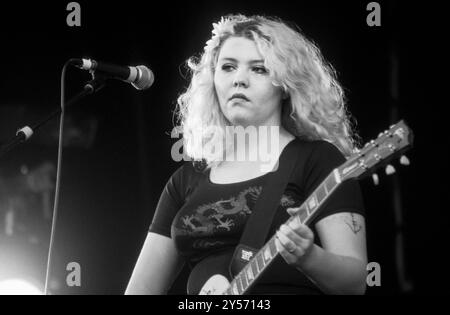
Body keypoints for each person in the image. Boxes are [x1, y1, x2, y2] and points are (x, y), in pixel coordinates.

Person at [126, 14, 367, 295]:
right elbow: (140, 290)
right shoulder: (186, 180)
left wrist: (309, 257)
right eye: (228, 67)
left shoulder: (319, 160)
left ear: (286, 85)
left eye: (259, 69)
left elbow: (354, 283)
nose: (239, 79)